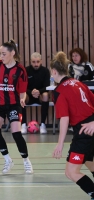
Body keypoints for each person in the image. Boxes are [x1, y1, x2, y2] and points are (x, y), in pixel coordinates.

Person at [51, 51, 94, 199]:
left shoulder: (59, 91)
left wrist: (60, 144)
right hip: (91, 127)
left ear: (54, 71)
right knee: (89, 162)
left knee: (71, 172)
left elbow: (64, 118)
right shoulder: (79, 83)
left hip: (84, 132)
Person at [0, 39, 33, 174]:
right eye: (0, 54)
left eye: (3, 54)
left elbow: (23, 90)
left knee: (16, 134)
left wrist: (23, 99)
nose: (1, 56)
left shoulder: (20, 70)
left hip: (13, 104)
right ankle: (7, 159)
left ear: (12, 53)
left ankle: (26, 160)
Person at [21, 52, 50, 134]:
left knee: (45, 95)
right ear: (30, 61)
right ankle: (23, 124)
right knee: (22, 95)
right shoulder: (26, 70)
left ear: (41, 61)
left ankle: (43, 125)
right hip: (29, 95)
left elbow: (47, 87)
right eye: (34, 62)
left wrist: (38, 92)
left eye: (37, 62)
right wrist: (31, 92)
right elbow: (22, 87)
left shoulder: (45, 71)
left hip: (40, 95)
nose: (36, 64)